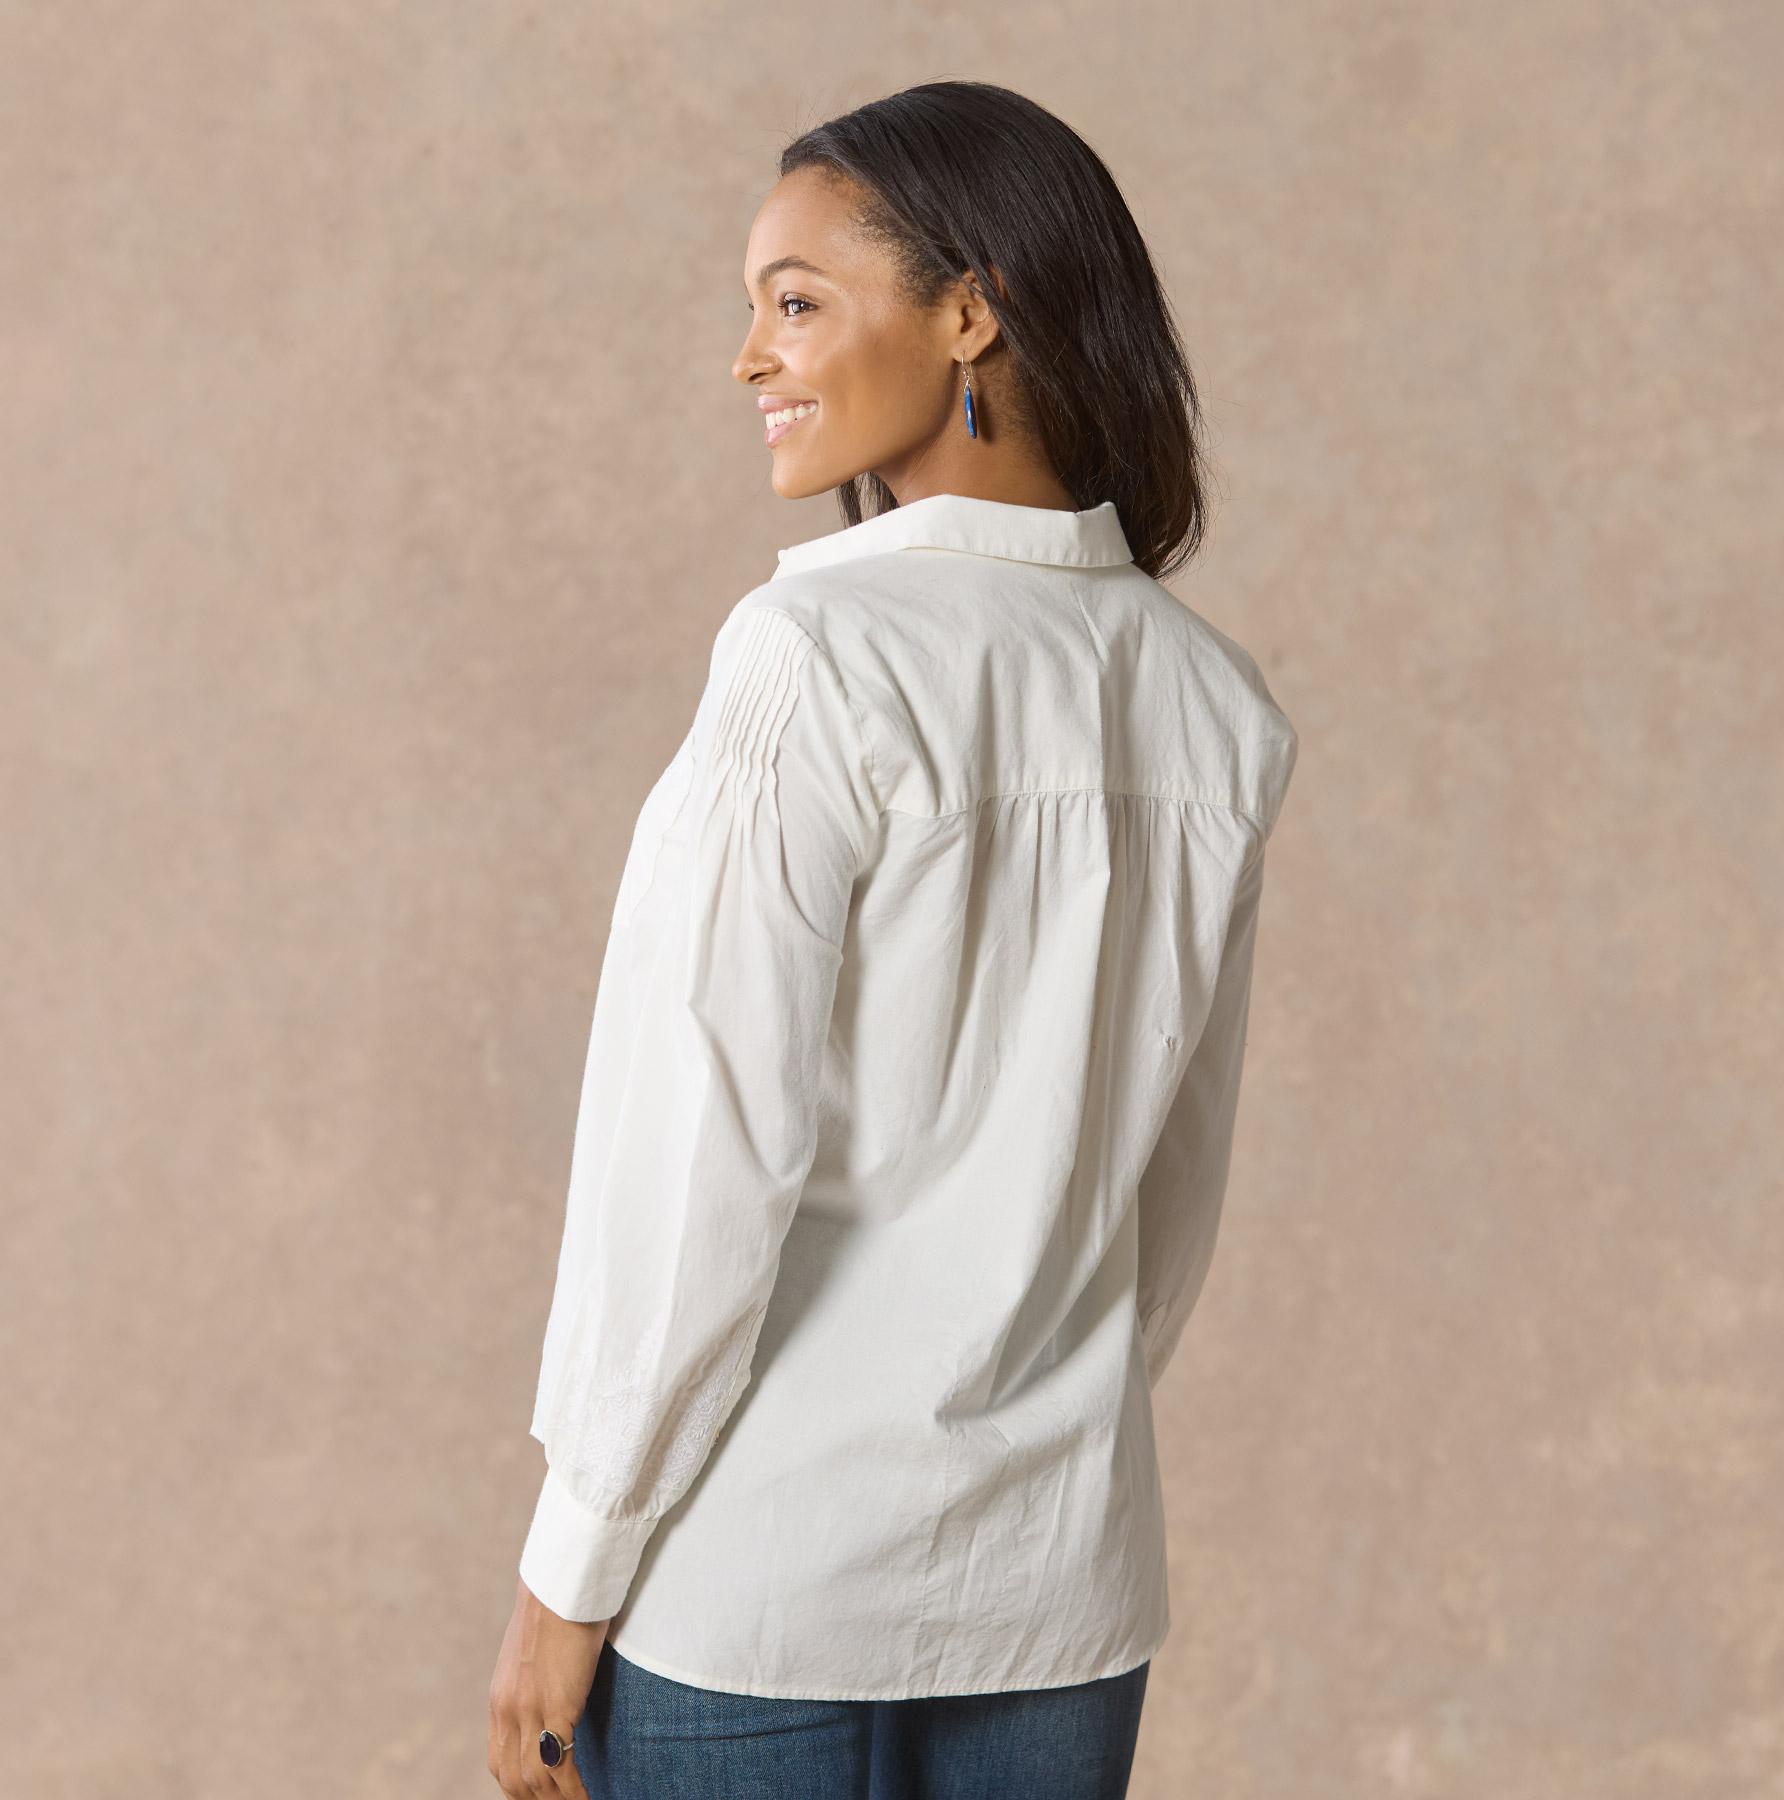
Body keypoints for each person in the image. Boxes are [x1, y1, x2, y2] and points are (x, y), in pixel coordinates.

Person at [488, 78, 1300, 1800]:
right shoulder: (1215, 704)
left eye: (794, 302)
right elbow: (1169, 1195)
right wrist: (1033, 1424)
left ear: (969, 312)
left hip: (757, 1592)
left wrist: (570, 1571)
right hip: (1064, 1593)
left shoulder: (816, 660)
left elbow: (698, 1164)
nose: (749, 359)